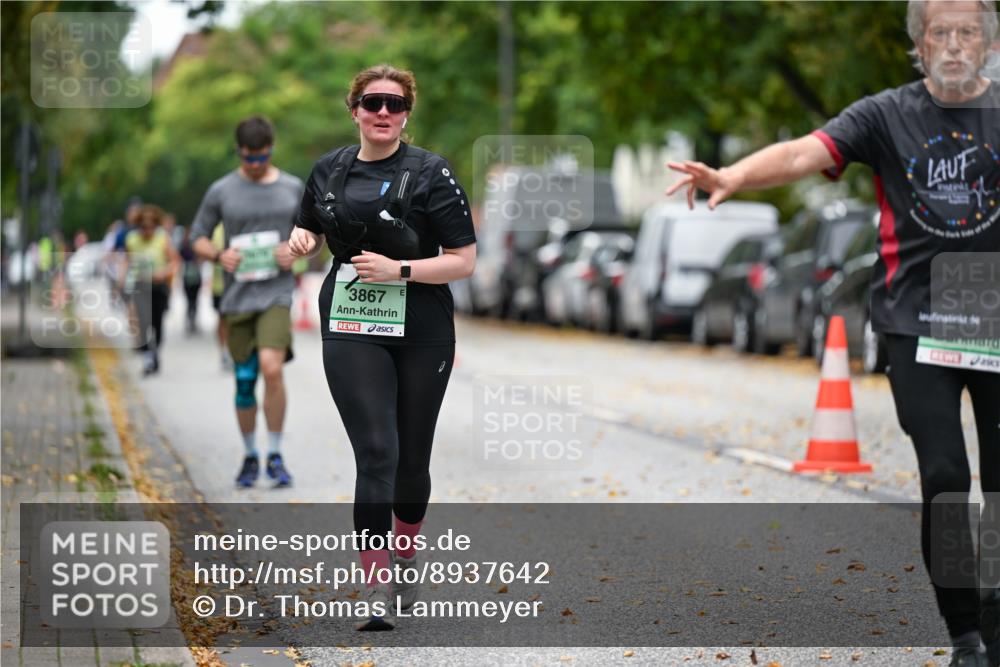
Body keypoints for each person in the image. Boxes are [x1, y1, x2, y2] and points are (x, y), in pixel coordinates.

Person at [667, 2, 999, 664]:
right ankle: (965, 630)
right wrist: (733, 174)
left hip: (992, 313)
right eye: (941, 32)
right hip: (916, 320)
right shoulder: (885, 114)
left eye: (969, 32)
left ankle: (994, 615)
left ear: (989, 42)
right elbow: (802, 151)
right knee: (944, 472)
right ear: (920, 43)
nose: (955, 45)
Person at [288, 63, 476, 631]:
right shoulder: (328, 170)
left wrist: (401, 269)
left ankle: (405, 550)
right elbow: (310, 230)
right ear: (354, 109)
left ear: (407, 114)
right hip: (350, 318)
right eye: (373, 103)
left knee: (412, 458)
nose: (384, 113)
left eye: (395, 105)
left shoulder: (431, 175)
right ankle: (372, 582)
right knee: (376, 452)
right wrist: (301, 240)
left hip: (421, 322)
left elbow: (463, 260)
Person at [191, 115, 302, 489]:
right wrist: (218, 255)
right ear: (239, 152)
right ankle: (250, 455)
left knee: (272, 369)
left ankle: (275, 453)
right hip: (237, 298)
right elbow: (198, 237)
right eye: (248, 158)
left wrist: (296, 249)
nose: (255, 164)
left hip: (276, 293)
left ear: (272, 149)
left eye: (262, 157)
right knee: (244, 380)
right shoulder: (221, 190)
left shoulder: (292, 188)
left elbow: (314, 235)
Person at [123, 204, 181, 375]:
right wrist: (122, 280)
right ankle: (147, 354)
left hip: (159, 287)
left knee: (157, 323)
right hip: (140, 285)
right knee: (141, 322)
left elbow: (175, 262)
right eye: (143, 227)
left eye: (150, 227)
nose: (147, 230)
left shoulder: (162, 238)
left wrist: (163, 273)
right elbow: (127, 261)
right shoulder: (132, 239)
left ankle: (155, 352)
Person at [179, 225, 202, 334]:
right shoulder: (184, 247)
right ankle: (190, 319)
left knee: (194, 300)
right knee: (190, 301)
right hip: (188, 277)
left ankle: (192, 319)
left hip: (195, 277)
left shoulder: (194, 247)